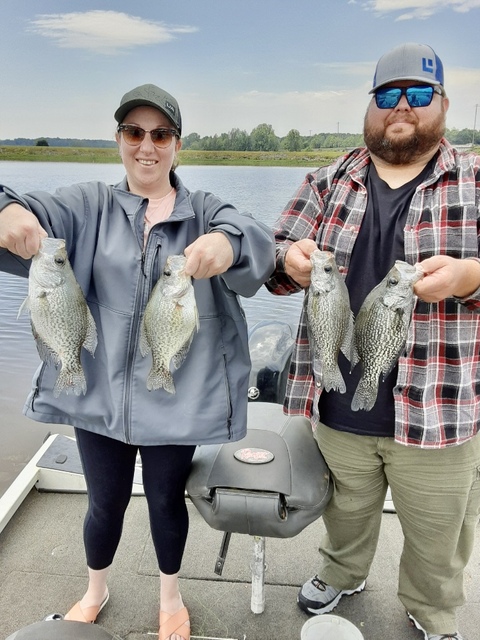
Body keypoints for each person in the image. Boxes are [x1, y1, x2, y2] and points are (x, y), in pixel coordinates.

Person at [0, 84, 275, 640]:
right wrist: (7, 208)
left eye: (160, 134)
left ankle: (169, 596)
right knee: (104, 505)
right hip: (97, 397)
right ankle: (95, 588)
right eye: (134, 133)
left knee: (166, 504)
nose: (146, 146)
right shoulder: (86, 206)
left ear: (178, 144)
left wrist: (227, 244)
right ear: (119, 139)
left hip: (173, 400)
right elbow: (18, 206)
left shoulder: (204, 210)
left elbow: (257, 241)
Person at [265, 43, 480, 640]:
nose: (402, 107)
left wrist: (471, 277)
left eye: (418, 94)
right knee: (347, 511)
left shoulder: (475, 179)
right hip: (336, 400)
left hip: (438, 408)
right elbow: (272, 262)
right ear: (372, 105)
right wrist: (289, 258)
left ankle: (432, 612)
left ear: (443, 104)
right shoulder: (327, 179)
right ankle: (344, 572)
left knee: (441, 530)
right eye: (389, 95)